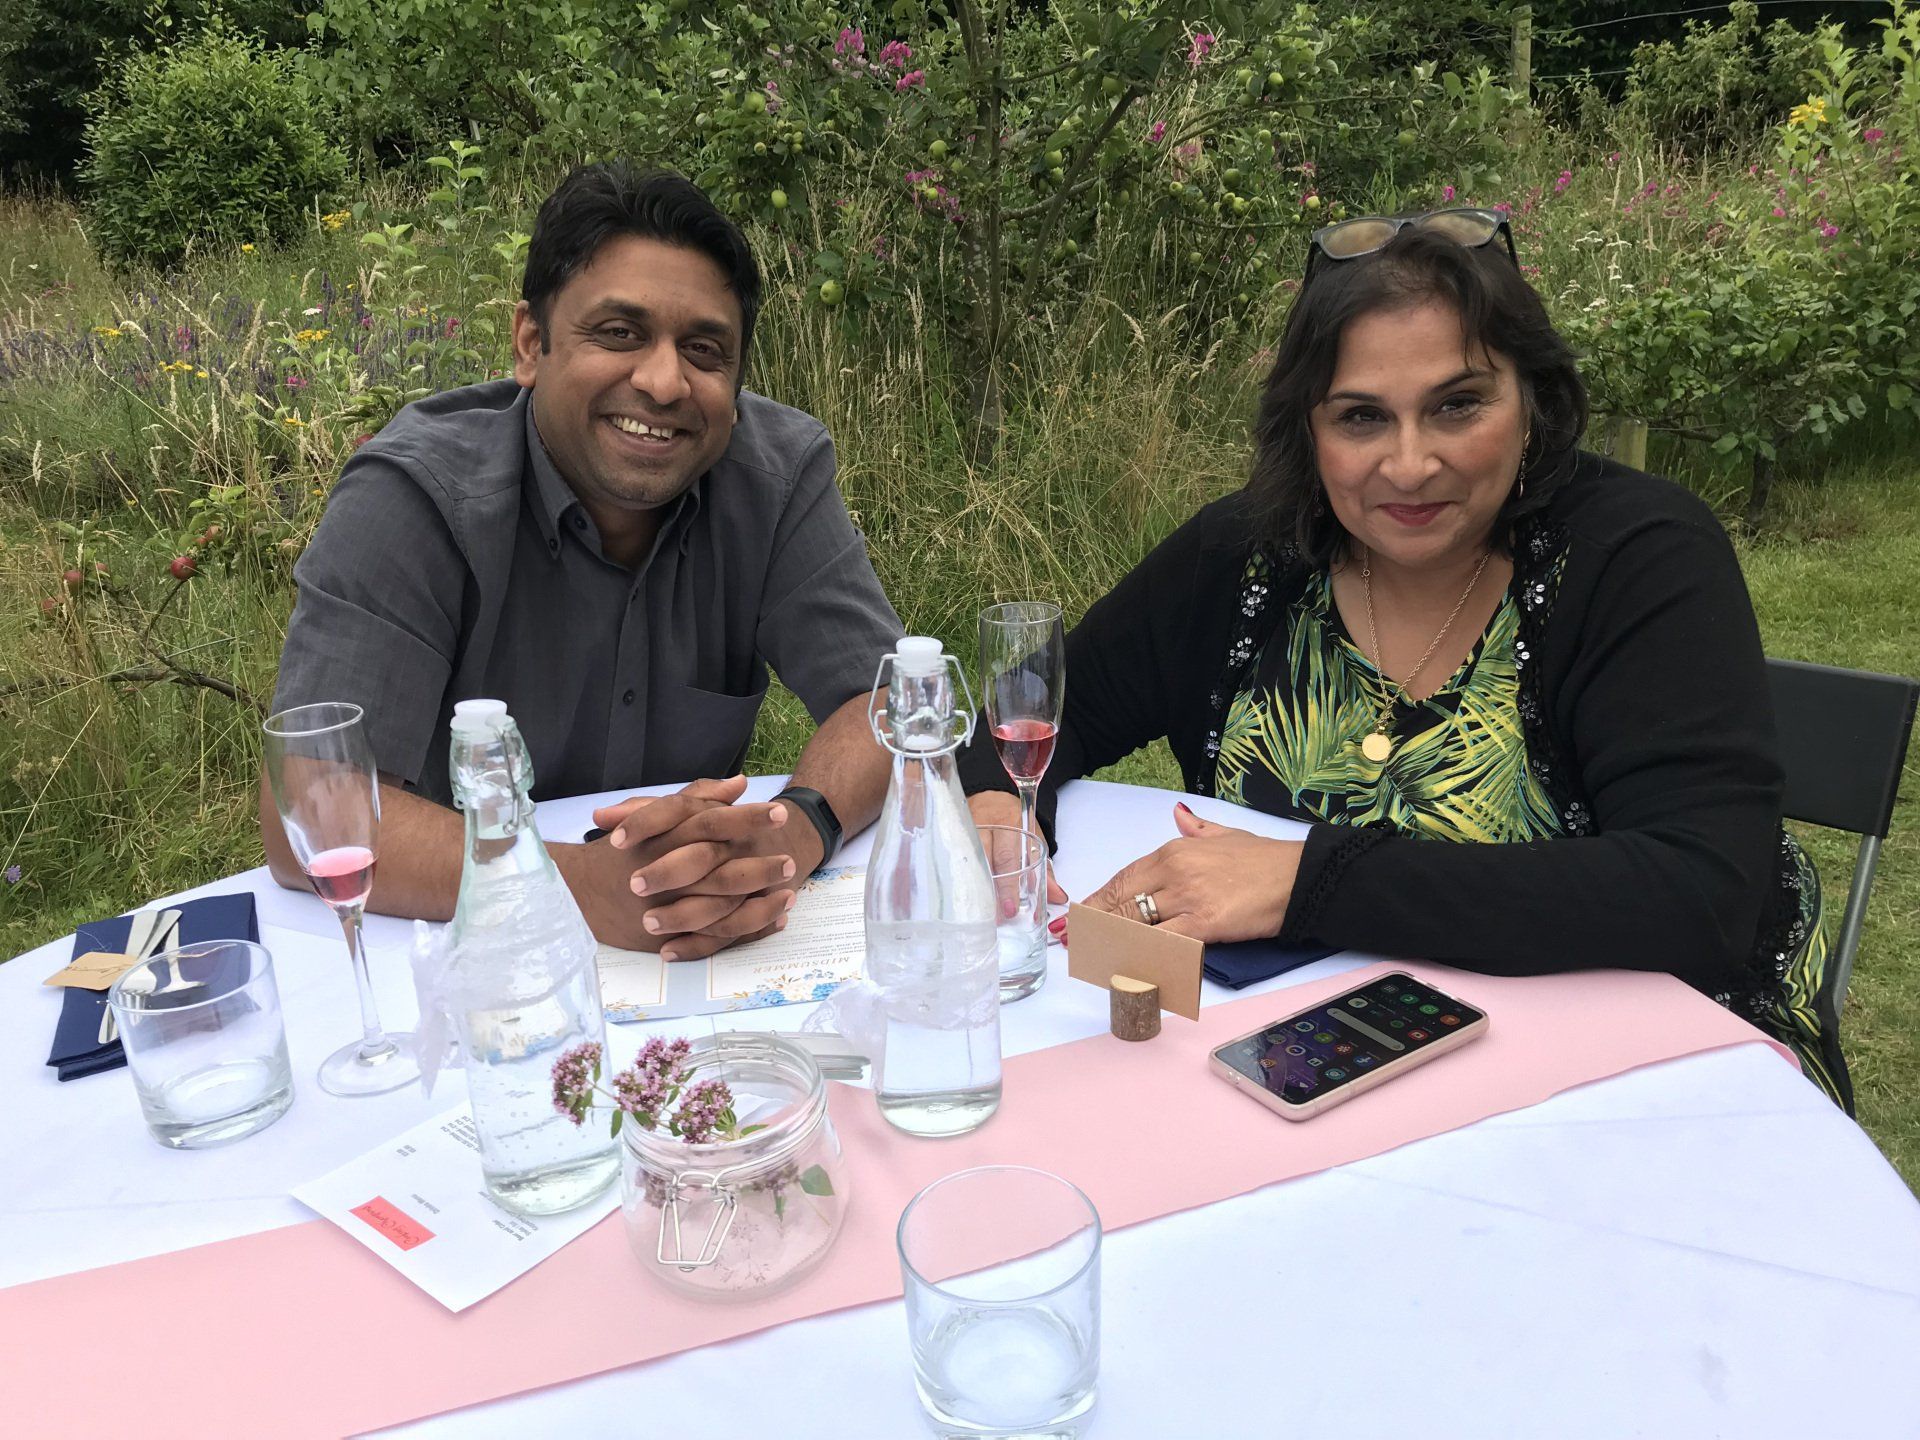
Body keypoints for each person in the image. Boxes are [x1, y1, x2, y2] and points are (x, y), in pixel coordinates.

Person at [962, 209, 1845, 1107]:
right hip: (1325, 1069)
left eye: (1458, 405)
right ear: (1308, 430)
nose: (1410, 464)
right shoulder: (1242, 555)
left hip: (1655, 1063)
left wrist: (1308, 882)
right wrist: (999, 807)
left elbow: (1699, 894)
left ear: (1532, 402)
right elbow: (1026, 710)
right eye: (1361, 418)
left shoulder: (1639, 554)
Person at [263, 163, 901, 961]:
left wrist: (797, 832)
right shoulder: (415, 497)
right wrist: (575, 888)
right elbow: (316, 809)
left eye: (705, 351)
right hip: (454, 951)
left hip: (698, 957)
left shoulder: (777, 476)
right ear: (531, 343)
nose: (665, 382)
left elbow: (884, 703)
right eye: (620, 334)